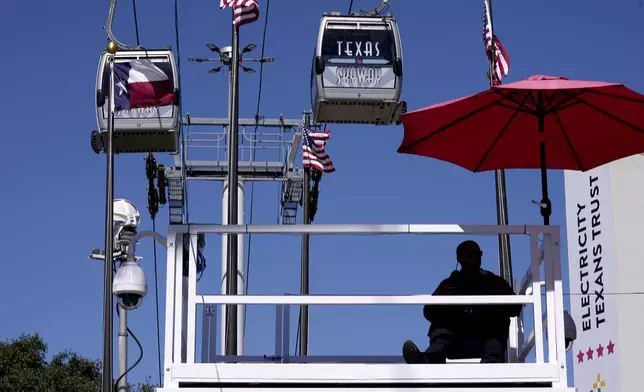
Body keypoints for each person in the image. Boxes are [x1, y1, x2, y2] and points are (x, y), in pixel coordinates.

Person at [402, 240, 523, 364]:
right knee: (441, 325)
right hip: (454, 341)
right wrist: (446, 299)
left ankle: (491, 364)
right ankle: (427, 360)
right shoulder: (449, 284)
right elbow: (428, 312)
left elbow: (515, 308)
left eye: (478, 254)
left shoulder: (494, 281)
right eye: (470, 254)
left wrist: (492, 301)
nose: (475, 257)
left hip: (484, 339)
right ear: (459, 258)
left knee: (500, 320)